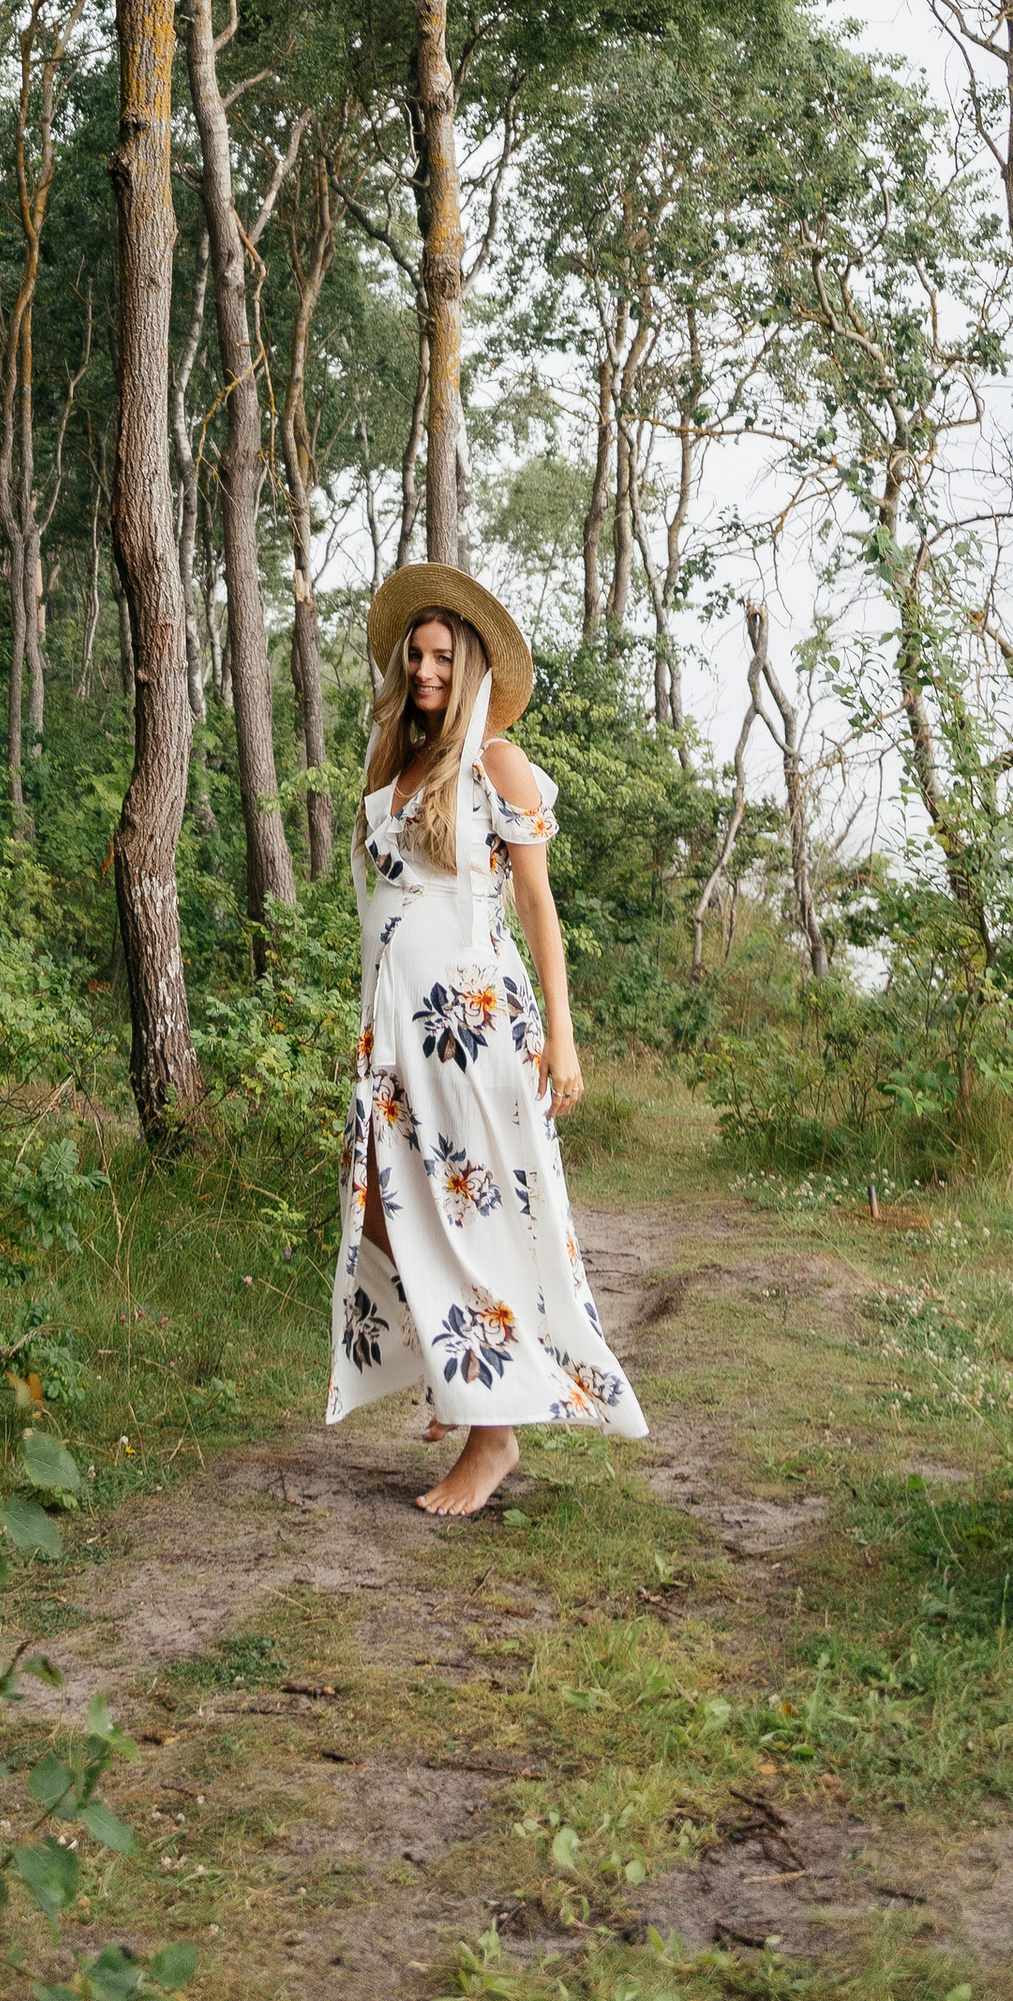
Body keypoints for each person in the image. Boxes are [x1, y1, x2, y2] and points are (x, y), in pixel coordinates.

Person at [326, 562, 647, 1516]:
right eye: (413, 654)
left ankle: (493, 1435)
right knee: (381, 1206)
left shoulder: (495, 763)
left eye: (439, 656)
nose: (423, 669)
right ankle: (460, 1372)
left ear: (467, 665)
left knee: (472, 1219)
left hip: (471, 1024)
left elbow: (539, 906)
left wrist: (565, 1036)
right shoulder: (395, 757)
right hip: (393, 1025)